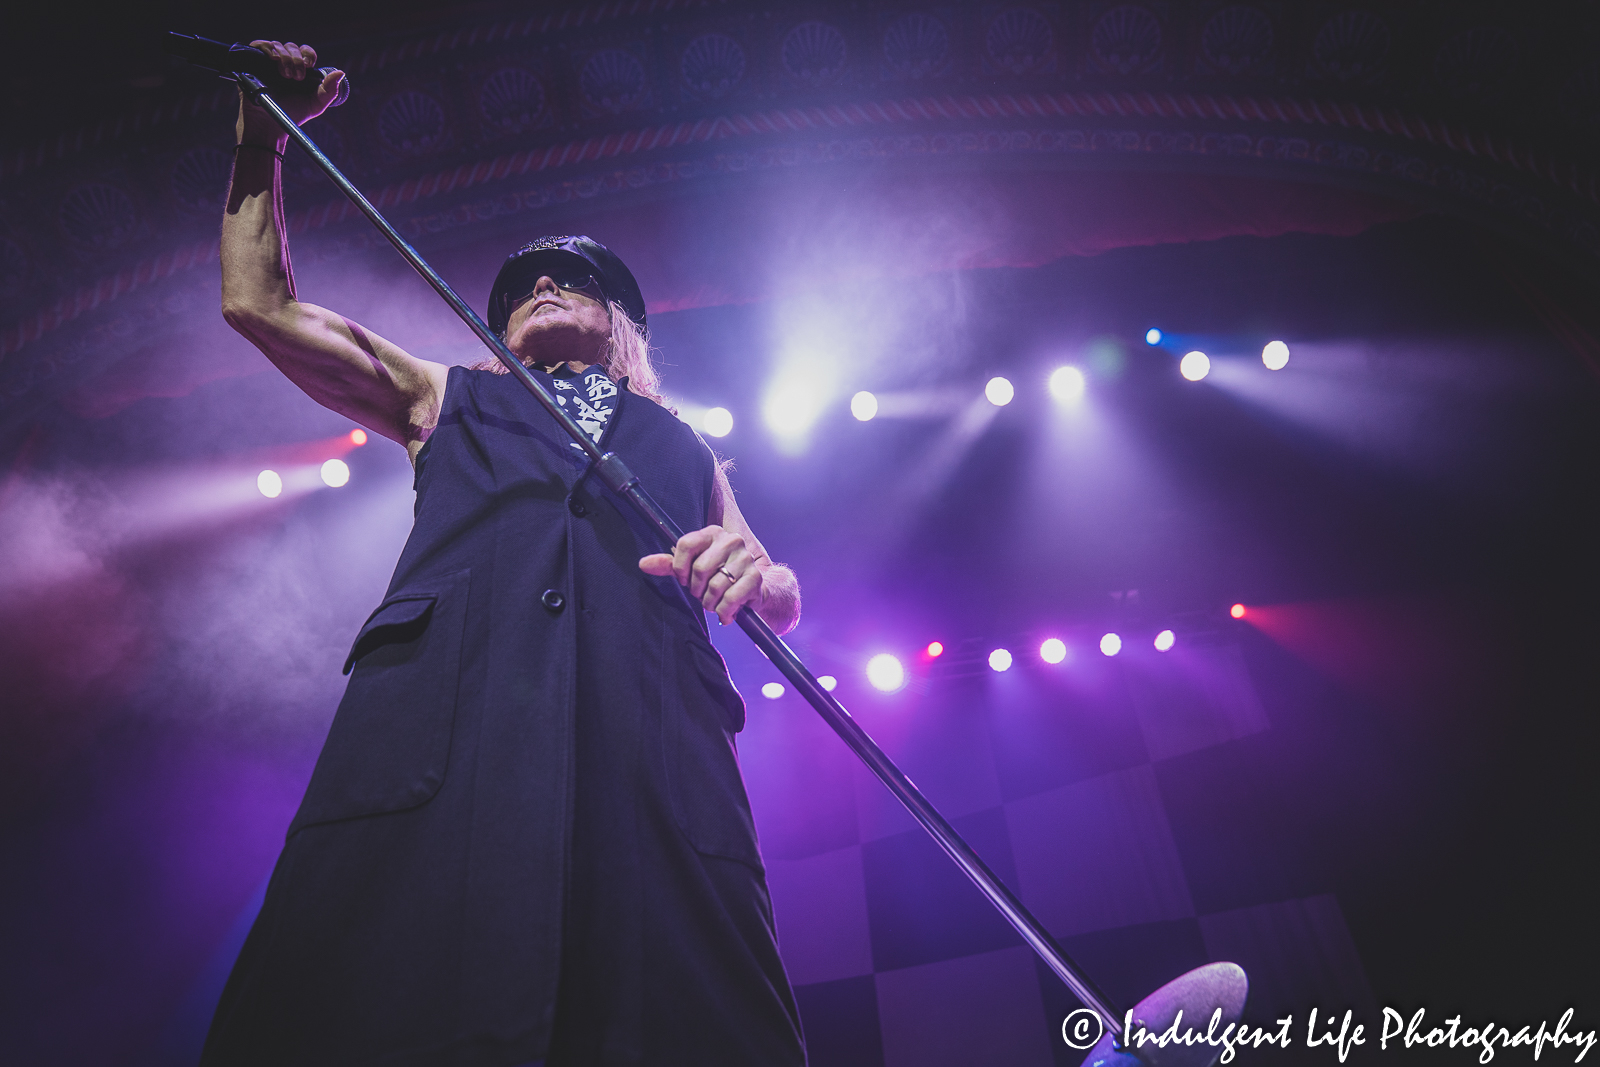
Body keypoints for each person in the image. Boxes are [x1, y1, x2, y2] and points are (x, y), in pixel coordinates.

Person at [202, 41, 806, 1067]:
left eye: (573, 280)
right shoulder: (449, 394)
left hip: (645, 764)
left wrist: (763, 579)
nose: (542, 282)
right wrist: (263, 142)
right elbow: (257, 304)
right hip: (442, 741)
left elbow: (773, 587)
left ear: (623, 327)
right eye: (525, 283)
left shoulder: (684, 444)